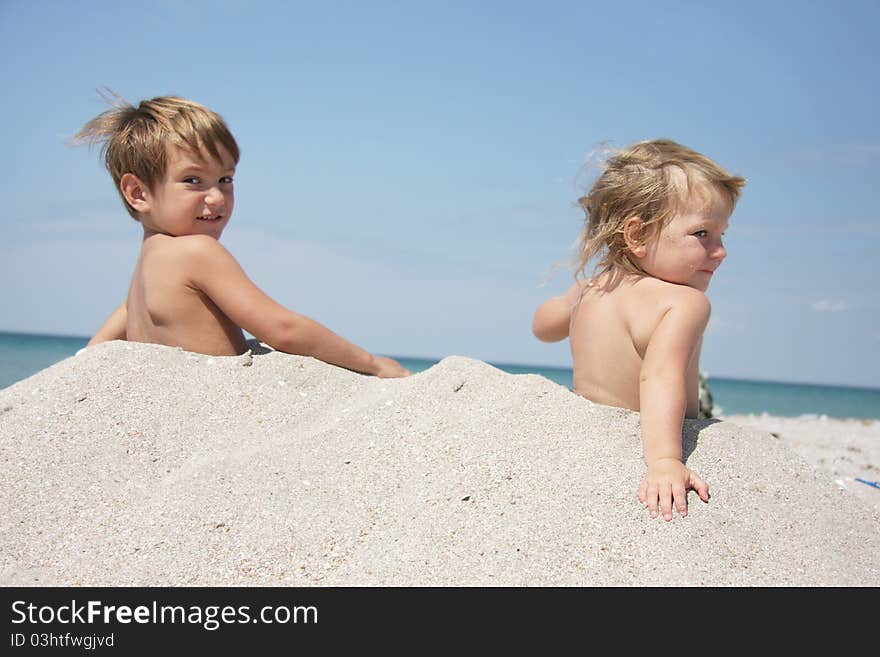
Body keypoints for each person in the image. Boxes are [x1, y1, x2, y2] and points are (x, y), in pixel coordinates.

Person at [76, 93, 409, 378]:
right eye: (193, 180)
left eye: (225, 179)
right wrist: (372, 364)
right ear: (138, 193)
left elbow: (95, 352)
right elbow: (283, 330)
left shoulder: (145, 274)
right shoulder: (197, 252)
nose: (217, 198)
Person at [532, 139, 745, 521]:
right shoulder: (684, 302)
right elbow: (660, 376)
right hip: (649, 437)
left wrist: (572, 304)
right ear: (637, 235)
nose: (721, 251)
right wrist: (664, 460)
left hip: (584, 434)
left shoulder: (590, 289)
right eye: (702, 234)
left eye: (722, 236)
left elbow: (543, 328)